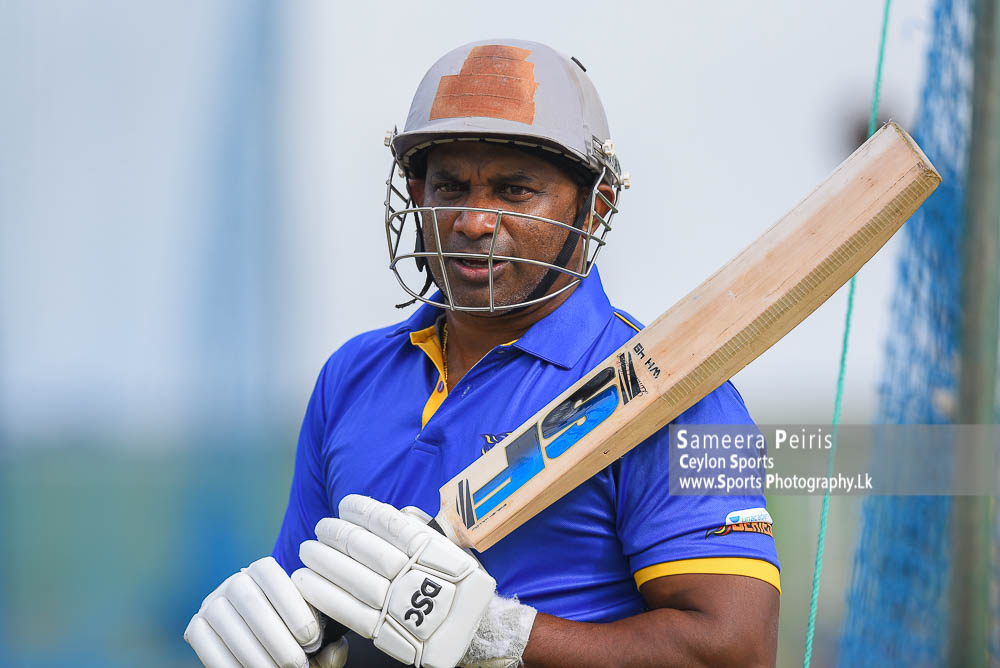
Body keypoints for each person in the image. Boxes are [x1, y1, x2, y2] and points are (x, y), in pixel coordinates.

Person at [185, 39, 780, 668]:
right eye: (449, 185)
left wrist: (505, 637)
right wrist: (292, 642)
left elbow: (736, 650)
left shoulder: (679, 389)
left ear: (594, 204)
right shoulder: (351, 377)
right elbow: (314, 604)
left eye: (514, 190)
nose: (473, 220)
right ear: (416, 193)